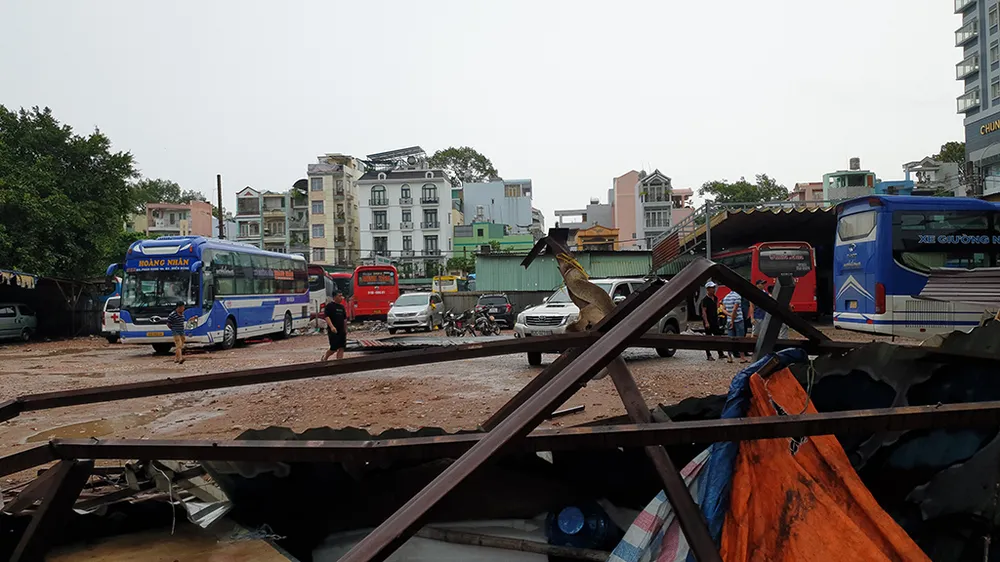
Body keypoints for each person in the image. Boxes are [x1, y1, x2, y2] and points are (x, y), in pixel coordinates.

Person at [699, 282, 726, 361]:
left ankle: (720, 353)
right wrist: (706, 322)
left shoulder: (715, 298)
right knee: (708, 338)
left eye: (714, 287)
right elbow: (704, 312)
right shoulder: (704, 300)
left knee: (718, 337)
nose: (713, 289)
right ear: (708, 289)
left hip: (715, 320)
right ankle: (709, 355)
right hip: (708, 321)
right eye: (712, 288)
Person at [721, 288, 749, 363]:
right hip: (738, 320)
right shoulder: (738, 297)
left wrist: (730, 315)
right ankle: (742, 357)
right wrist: (732, 321)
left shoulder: (726, 297)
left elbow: (723, 309)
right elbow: (735, 309)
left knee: (730, 339)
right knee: (740, 339)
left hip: (728, 321)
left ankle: (730, 357)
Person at [323, 292, 348, 361]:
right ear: (334, 297)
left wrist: (345, 329)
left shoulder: (342, 307)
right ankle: (325, 358)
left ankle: (339, 362)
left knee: (342, 348)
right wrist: (332, 327)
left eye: (341, 296)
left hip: (341, 330)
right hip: (333, 331)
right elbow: (327, 317)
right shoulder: (330, 306)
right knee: (333, 348)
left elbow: (344, 319)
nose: (341, 297)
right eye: (339, 296)